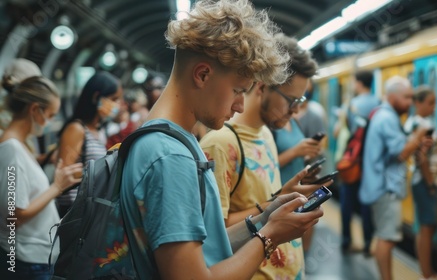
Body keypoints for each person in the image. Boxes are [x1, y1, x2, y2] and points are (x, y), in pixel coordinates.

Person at [120, 1, 324, 279]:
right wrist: (270, 237)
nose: (241, 105)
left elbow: (206, 249)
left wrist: (265, 218)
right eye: (238, 90)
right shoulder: (171, 157)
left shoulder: (170, 142)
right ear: (203, 74)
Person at [200, 32, 324, 279]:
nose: (297, 110)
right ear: (263, 86)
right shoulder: (221, 144)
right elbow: (214, 232)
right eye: (292, 100)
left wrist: (282, 197)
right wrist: (270, 209)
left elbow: (261, 203)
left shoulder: (266, 134)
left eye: (301, 100)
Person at [0, 76, 83, 279]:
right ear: (35, 109)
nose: (51, 122)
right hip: (25, 259)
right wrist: (57, 187)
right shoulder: (11, 150)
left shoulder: (20, 146)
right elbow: (14, 216)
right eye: (51, 115)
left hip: (34, 257)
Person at [360, 76, 431, 280]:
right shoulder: (388, 118)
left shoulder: (383, 115)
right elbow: (401, 153)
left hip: (380, 186)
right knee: (387, 239)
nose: (410, 102)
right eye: (406, 97)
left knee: (384, 236)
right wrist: (419, 135)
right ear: (392, 97)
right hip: (385, 188)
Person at [56, 72, 123, 216]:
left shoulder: (100, 131)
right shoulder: (76, 129)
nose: (117, 105)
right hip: (72, 212)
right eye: (114, 99)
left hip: (89, 212)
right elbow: (63, 174)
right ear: (96, 97)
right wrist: (104, 171)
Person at [404, 86, 437, 280]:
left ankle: (425, 272)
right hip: (424, 181)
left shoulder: (415, 123)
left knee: (424, 227)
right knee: (427, 229)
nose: (433, 107)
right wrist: (430, 183)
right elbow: (422, 156)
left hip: (420, 181)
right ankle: (427, 274)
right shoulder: (421, 125)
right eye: (430, 103)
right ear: (417, 103)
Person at [340, 70, 379, 255]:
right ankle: (368, 242)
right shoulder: (378, 103)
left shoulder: (353, 104)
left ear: (359, 83)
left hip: (353, 160)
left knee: (347, 201)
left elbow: (349, 128)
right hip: (370, 160)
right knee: (366, 203)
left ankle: (346, 239)